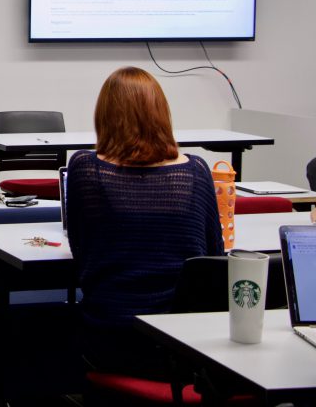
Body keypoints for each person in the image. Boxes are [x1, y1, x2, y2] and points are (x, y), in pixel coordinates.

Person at [66, 66, 224, 378]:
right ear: (161, 114)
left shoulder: (86, 169)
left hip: (113, 337)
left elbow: (81, 251)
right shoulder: (196, 171)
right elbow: (214, 257)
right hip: (187, 347)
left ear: (104, 116)